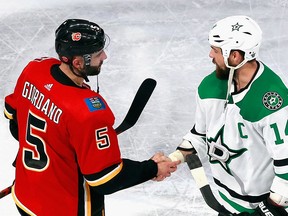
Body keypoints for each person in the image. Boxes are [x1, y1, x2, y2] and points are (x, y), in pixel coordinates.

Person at [3, 19, 180, 216]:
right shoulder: (88, 112)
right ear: (78, 62)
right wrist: (152, 168)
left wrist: (64, 143)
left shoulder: (35, 69)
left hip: (25, 196)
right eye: (97, 55)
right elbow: (105, 178)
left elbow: (15, 123)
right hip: (66, 209)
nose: (104, 56)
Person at [168, 15, 288, 215]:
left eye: (215, 50)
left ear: (235, 56)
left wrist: (269, 209)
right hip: (226, 202)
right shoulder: (209, 86)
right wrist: (172, 159)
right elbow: (201, 135)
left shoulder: (270, 101)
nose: (210, 55)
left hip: (260, 207)